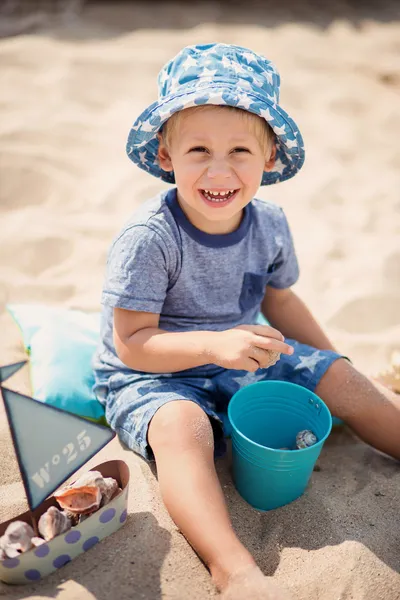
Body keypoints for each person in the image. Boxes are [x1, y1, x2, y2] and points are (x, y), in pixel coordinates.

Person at [93, 43, 400, 599]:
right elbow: (132, 344)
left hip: (240, 351)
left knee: (347, 381)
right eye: (198, 150)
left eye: (239, 150)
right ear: (165, 155)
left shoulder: (270, 223)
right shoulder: (149, 238)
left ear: (269, 158)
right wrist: (213, 345)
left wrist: (332, 365)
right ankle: (231, 566)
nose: (219, 169)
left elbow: (279, 300)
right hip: (155, 373)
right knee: (180, 432)